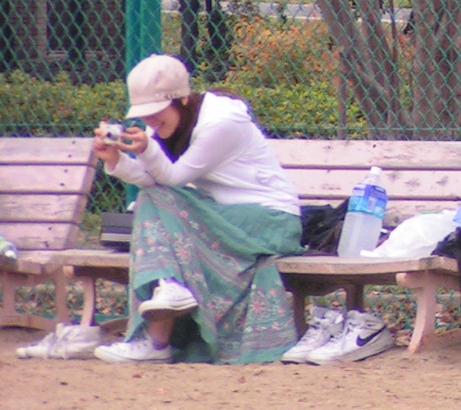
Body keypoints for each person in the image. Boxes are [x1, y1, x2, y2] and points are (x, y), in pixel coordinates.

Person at [90, 54, 303, 365]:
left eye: (156, 112)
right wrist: (116, 160)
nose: (150, 121)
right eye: (144, 114)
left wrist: (147, 150)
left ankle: (157, 339)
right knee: (151, 199)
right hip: (224, 218)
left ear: (183, 100)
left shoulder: (221, 122)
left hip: (271, 221)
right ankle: (168, 295)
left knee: (153, 200)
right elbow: (155, 180)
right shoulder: (172, 123)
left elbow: (174, 178)